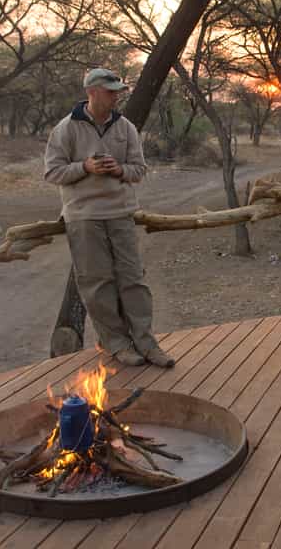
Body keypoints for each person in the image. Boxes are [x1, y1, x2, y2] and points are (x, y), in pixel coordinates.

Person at [44, 68, 175, 368]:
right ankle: (116, 344)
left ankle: (146, 342)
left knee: (133, 280)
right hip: (83, 216)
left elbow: (138, 170)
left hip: (120, 213)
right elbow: (52, 172)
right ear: (91, 91)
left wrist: (119, 170)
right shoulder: (66, 129)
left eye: (118, 91)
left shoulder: (125, 127)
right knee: (97, 283)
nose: (116, 96)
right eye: (110, 90)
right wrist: (85, 167)